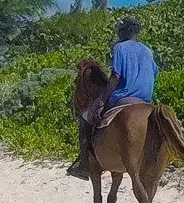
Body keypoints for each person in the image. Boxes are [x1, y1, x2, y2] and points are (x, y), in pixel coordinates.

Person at [68, 17, 159, 178]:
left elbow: (116, 76)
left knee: (85, 119)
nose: (119, 33)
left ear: (127, 31)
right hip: (145, 100)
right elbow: (155, 73)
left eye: (120, 30)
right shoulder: (147, 50)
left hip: (124, 97)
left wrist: (102, 101)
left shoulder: (120, 47)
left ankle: (83, 165)